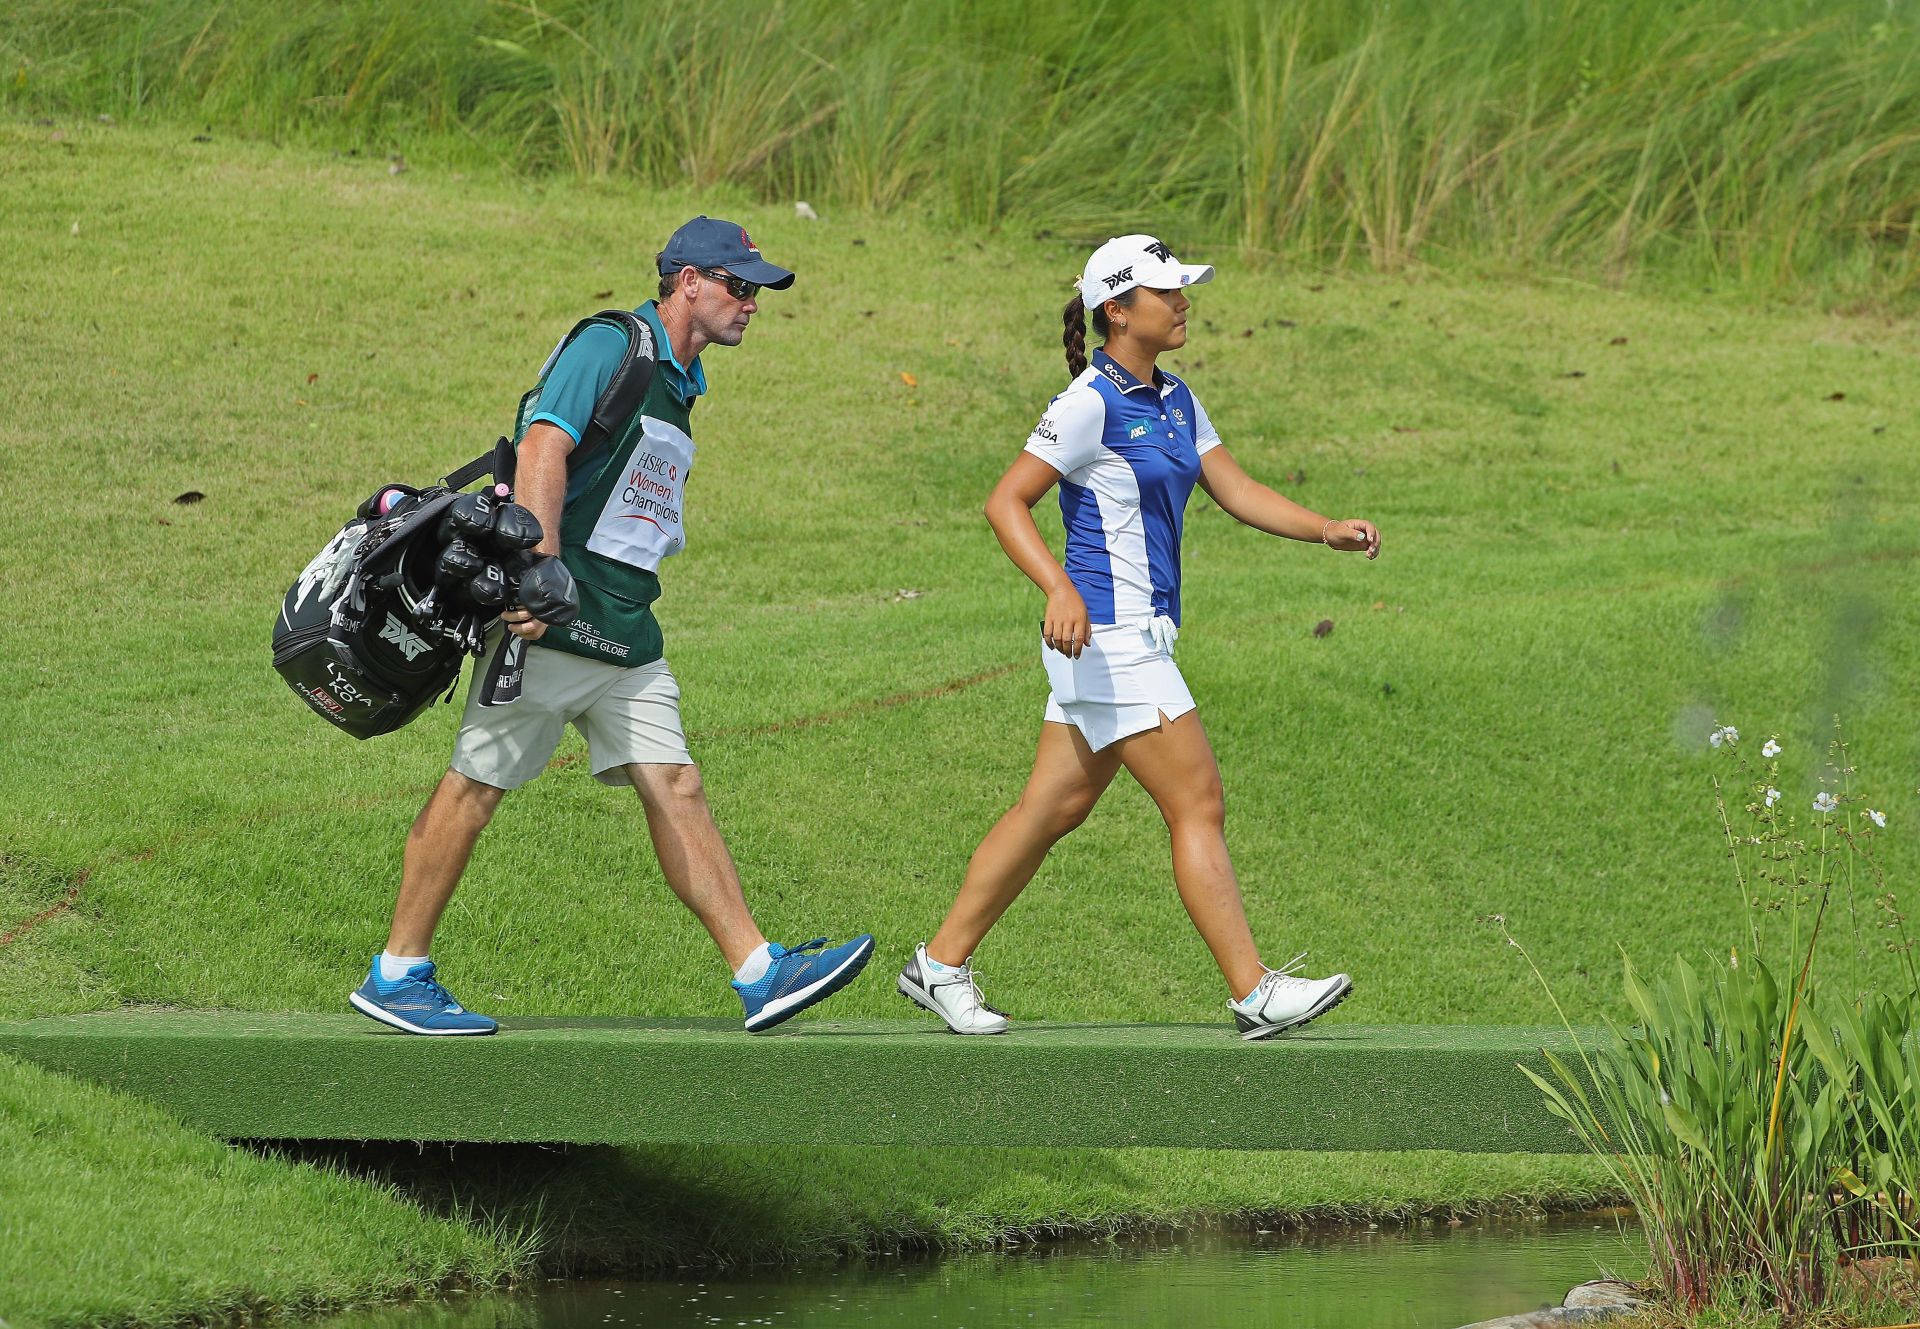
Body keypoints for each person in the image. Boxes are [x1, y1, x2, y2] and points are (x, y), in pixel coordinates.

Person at [350, 217, 874, 1036]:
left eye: (756, 291)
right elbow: (543, 447)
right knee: (475, 785)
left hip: (624, 630)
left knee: (677, 783)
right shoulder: (613, 344)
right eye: (739, 286)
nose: (751, 304)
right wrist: (538, 568)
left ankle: (759, 970)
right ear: (688, 281)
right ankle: (397, 971)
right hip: (547, 624)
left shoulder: (683, 383)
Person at [897, 234, 1380, 1040]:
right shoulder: (1089, 401)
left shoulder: (1176, 398)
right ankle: (1252, 989)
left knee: (1050, 808)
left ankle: (940, 964)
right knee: (1197, 801)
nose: (1185, 302)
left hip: (1121, 643)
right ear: (1117, 311)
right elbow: (1006, 501)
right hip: (1112, 639)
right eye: (1167, 293)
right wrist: (1058, 586)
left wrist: (1322, 527)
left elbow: (1234, 488)